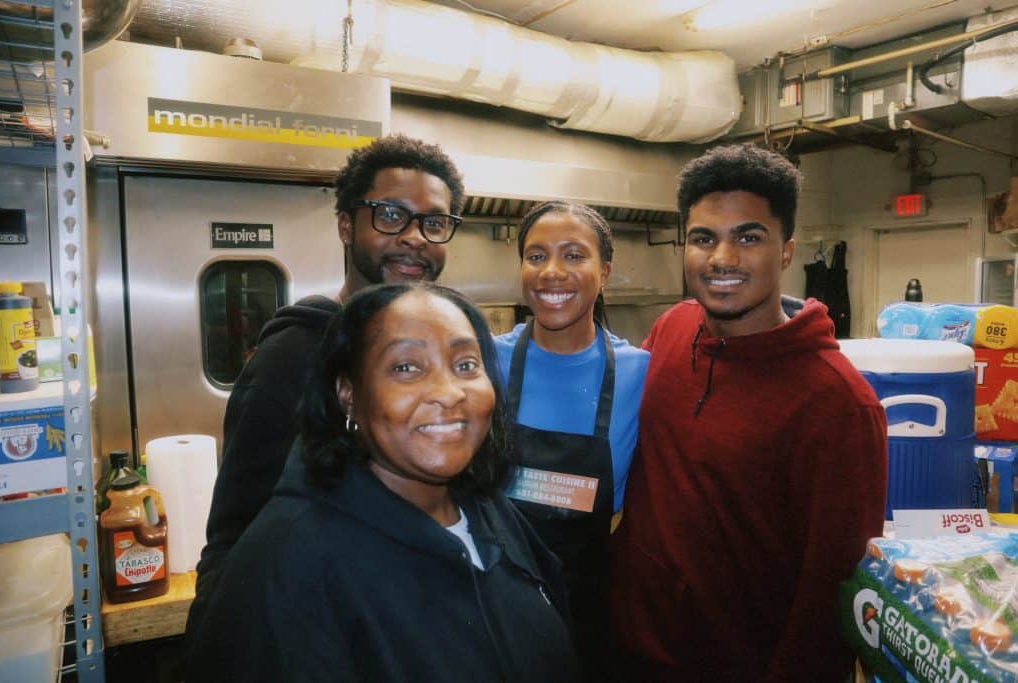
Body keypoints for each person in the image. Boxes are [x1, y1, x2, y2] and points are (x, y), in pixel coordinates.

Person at [185, 283, 579, 682]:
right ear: (348, 394)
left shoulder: (491, 512)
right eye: (406, 367)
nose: (448, 393)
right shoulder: (290, 559)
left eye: (465, 365)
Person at [610, 144, 888, 682]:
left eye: (749, 237)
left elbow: (830, 596)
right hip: (626, 647)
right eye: (703, 238)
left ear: (786, 251)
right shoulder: (671, 329)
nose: (722, 258)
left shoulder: (839, 405)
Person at [188, 135, 466, 637]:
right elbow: (237, 531)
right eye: (390, 215)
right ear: (346, 225)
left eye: (434, 222)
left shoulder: (435, 362)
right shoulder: (296, 353)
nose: (415, 237)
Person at [495, 201, 649, 680]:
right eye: (536, 256)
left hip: (593, 612)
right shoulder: (484, 363)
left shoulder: (641, 373)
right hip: (498, 603)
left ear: (605, 271)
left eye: (574, 255)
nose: (552, 272)